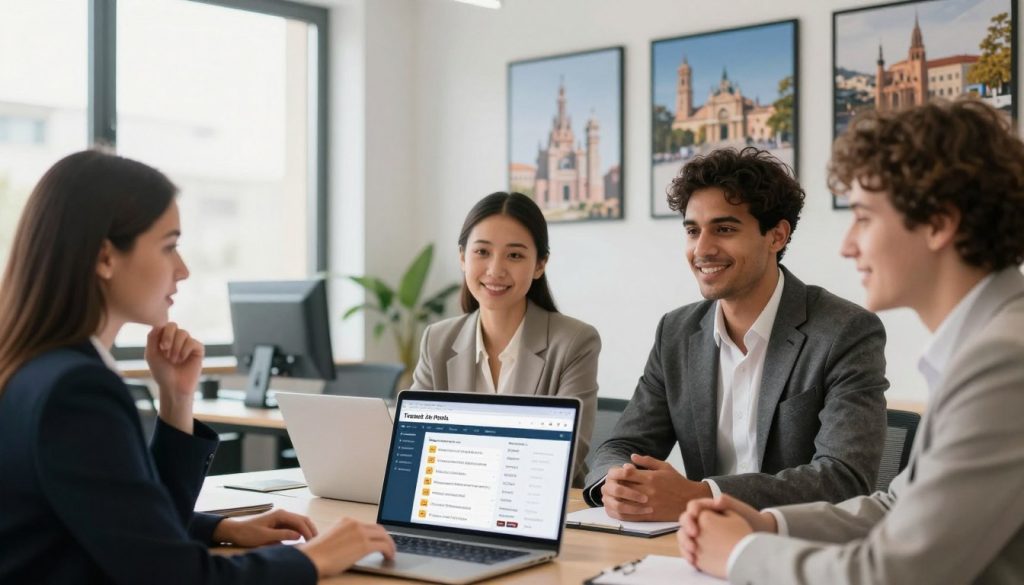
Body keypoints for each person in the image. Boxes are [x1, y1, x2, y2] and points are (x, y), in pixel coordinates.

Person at [0, 150, 395, 584]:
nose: (183, 270)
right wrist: (315, 558)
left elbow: (113, 517)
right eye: (169, 246)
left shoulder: (36, 367)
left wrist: (177, 401)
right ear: (105, 257)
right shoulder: (77, 389)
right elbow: (176, 578)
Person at [678, 99, 1024, 584]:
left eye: (863, 217)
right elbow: (898, 506)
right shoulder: (987, 344)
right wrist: (768, 523)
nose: (847, 245)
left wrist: (740, 554)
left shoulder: (1005, 362)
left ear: (940, 223)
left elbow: (894, 573)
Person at [584, 147, 889, 520]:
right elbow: (622, 444)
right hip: (697, 548)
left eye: (724, 229)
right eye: (693, 231)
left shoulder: (844, 331)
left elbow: (845, 478)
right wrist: (616, 483)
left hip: (798, 549)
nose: (702, 249)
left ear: (776, 236)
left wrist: (702, 495)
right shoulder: (676, 333)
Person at [410, 191, 600, 486]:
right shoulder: (437, 340)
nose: (495, 270)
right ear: (462, 257)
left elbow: (562, 458)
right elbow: (413, 448)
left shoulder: (575, 341)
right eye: (482, 252)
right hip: (454, 508)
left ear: (540, 264)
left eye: (514, 255)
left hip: (545, 515)